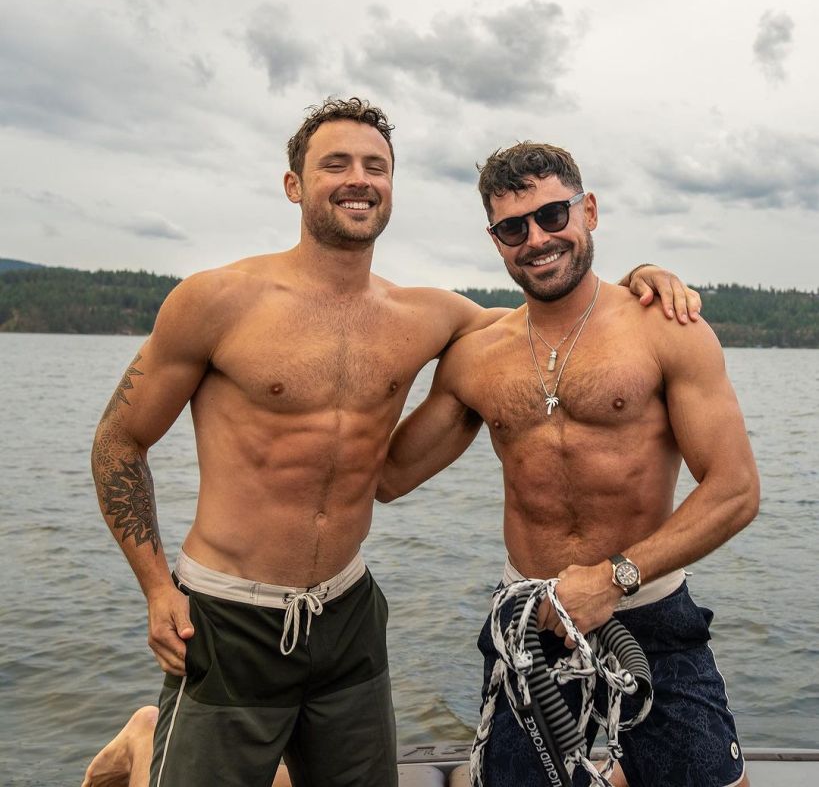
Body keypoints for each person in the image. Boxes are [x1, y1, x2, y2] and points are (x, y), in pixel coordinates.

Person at [90, 101, 701, 787]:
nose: (359, 178)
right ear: (294, 184)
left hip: (346, 609)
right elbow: (120, 440)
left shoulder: (428, 315)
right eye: (336, 164)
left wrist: (640, 280)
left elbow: (557, 304)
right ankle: (149, 739)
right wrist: (153, 586)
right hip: (230, 609)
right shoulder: (215, 300)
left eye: (374, 165)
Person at [378, 142, 760, 787]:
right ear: (496, 241)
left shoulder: (665, 329)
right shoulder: (476, 356)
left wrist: (616, 578)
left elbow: (735, 491)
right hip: (532, 616)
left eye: (554, 215)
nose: (537, 238)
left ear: (588, 210)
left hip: (650, 608)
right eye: (513, 227)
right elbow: (386, 478)